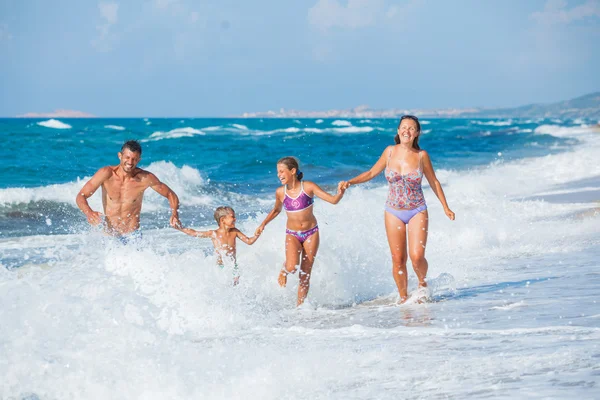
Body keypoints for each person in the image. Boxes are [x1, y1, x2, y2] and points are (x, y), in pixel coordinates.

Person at [340, 115, 455, 304]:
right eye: (403, 127)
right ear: (398, 130)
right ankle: (403, 298)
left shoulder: (421, 156)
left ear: (417, 133)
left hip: (417, 209)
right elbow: (370, 172)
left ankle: (422, 284)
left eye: (411, 128)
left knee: (417, 257)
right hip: (393, 211)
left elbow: (433, 181)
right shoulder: (390, 152)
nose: (406, 131)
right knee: (398, 259)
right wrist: (350, 182)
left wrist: (445, 207)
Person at [255, 157, 346, 306]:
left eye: (281, 171)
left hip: (311, 233)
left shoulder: (308, 187)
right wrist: (263, 224)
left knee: (305, 274)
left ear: (293, 171)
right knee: (292, 267)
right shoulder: (280, 192)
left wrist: (340, 193)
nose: (279, 175)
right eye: (277, 172)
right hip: (292, 234)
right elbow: (276, 210)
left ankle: (300, 307)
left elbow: (333, 200)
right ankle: (284, 271)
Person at [75, 140, 181, 242]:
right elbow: (81, 196)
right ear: (120, 156)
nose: (130, 162)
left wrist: (174, 214)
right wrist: (89, 212)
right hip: (110, 236)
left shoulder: (145, 178)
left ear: (139, 160)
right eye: (127, 157)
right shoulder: (106, 174)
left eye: (134, 159)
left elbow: (170, 194)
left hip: (133, 236)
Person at [177, 206, 260, 285]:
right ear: (223, 219)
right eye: (232, 217)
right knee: (225, 287)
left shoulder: (235, 231)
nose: (235, 219)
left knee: (236, 286)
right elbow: (194, 233)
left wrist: (256, 235)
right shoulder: (214, 234)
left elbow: (249, 241)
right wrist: (180, 228)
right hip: (220, 268)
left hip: (233, 266)